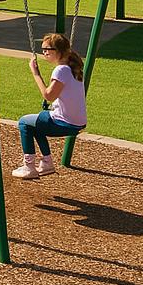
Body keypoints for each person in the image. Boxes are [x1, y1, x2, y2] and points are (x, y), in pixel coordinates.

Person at [12, 33, 87, 179]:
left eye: (47, 49)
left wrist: (36, 73)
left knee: (24, 122)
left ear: (58, 51)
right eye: (43, 49)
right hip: (78, 123)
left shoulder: (62, 70)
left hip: (63, 122)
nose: (44, 52)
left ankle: (29, 166)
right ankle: (46, 163)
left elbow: (48, 95)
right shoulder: (73, 69)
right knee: (35, 123)